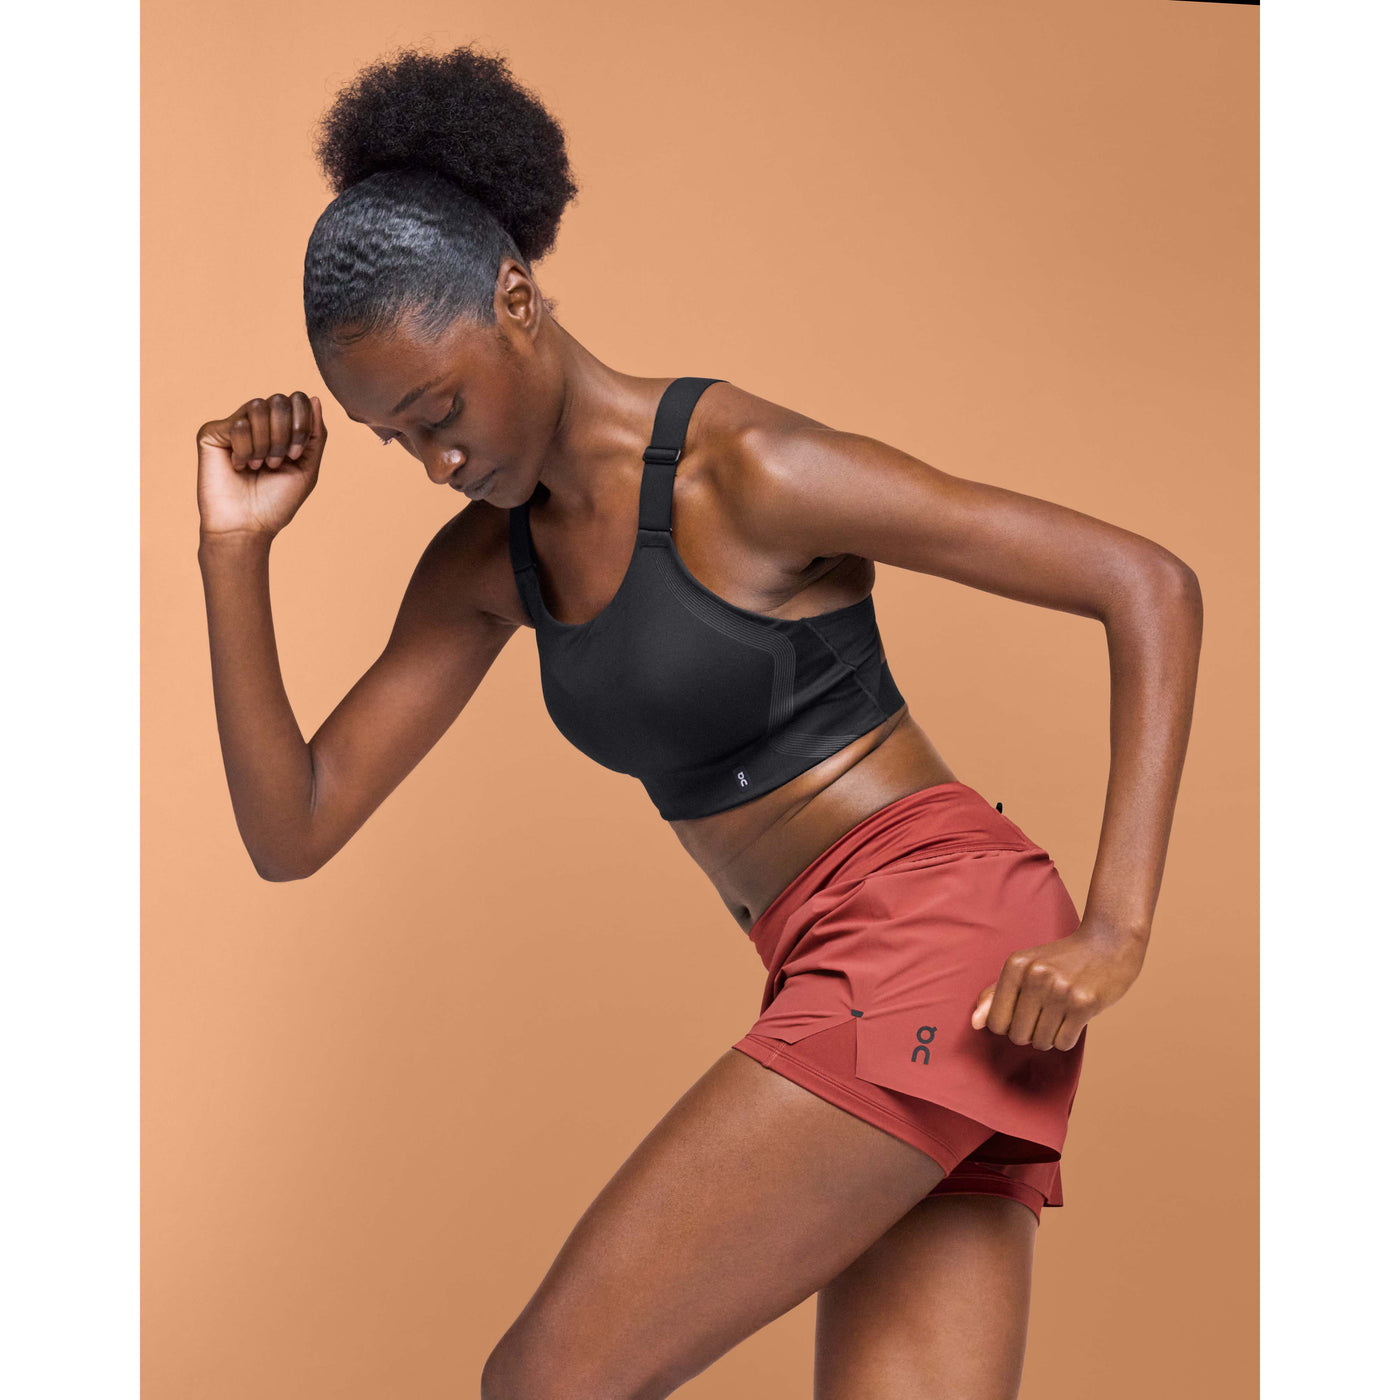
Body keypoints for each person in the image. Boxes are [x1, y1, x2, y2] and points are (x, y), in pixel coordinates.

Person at [195, 43, 1203, 1400]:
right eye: (398, 440)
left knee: (547, 1382)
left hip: (930, 940)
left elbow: (1145, 584)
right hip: (846, 963)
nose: (438, 462)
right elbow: (295, 828)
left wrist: (1118, 924)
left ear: (515, 299)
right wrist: (233, 554)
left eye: (440, 410)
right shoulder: (488, 565)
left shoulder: (747, 471)